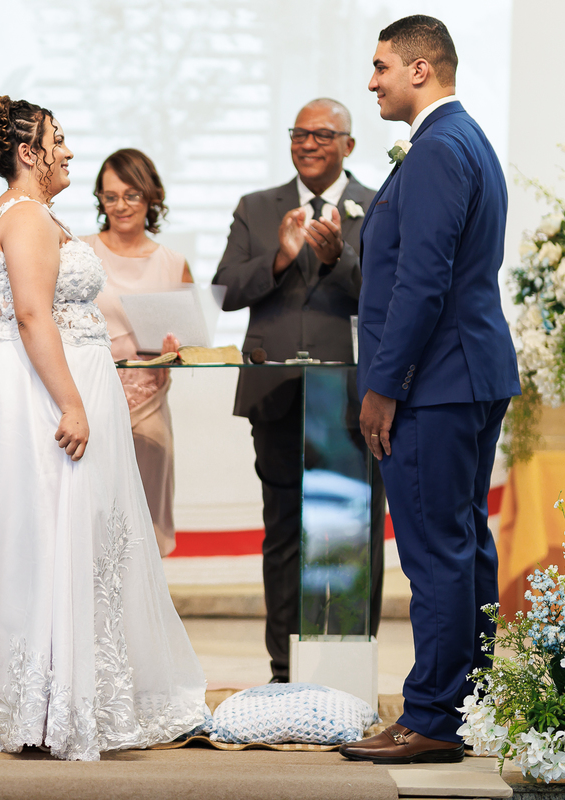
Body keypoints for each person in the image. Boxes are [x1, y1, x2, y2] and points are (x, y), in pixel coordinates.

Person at [0, 94, 207, 760]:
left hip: (53, 388)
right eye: (58, 140)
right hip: (40, 399)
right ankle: (37, 704)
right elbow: (33, 317)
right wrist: (73, 404)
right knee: (41, 541)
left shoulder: (31, 213)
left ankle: (57, 696)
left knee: (57, 545)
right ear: (28, 153)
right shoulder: (27, 216)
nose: (69, 152)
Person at [339, 16, 520, 764]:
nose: (372, 81)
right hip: (466, 372)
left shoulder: (440, 147)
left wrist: (384, 386)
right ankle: (468, 704)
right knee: (465, 546)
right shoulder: (465, 138)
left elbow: (422, 281)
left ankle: (433, 717)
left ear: (420, 69)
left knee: (437, 552)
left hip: (435, 382)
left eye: (381, 66)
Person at [212, 99, 383, 683]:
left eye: (322, 134)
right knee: (284, 533)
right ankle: (284, 672)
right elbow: (224, 292)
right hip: (277, 393)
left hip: (354, 399)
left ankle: (347, 668)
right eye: (299, 133)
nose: (308, 143)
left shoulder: (378, 204)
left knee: (352, 534)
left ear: (348, 145)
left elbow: (394, 292)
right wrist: (280, 258)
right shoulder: (257, 208)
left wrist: (342, 259)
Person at [80, 148, 193, 557]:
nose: (121, 206)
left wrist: (176, 350)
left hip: (149, 409)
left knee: (144, 527)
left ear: (151, 196)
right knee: (87, 522)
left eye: (131, 195)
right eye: (110, 196)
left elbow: (190, 340)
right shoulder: (78, 252)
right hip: (89, 405)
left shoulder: (173, 263)